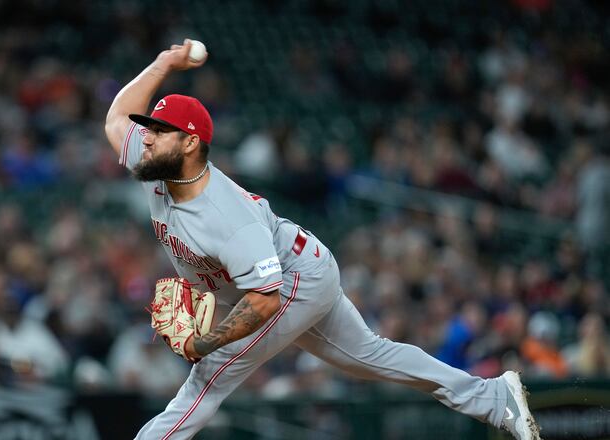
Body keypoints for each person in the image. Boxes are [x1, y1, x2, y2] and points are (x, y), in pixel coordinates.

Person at [103, 39, 540, 440]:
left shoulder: (227, 216)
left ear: (190, 143)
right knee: (369, 356)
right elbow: (116, 118)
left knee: (208, 378)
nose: (148, 137)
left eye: (160, 131)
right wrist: (164, 63)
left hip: (293, 279)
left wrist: (207, 341)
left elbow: (265, 301)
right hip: (297, 263)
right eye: (151, 129)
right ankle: (494, 399)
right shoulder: (155, 165)